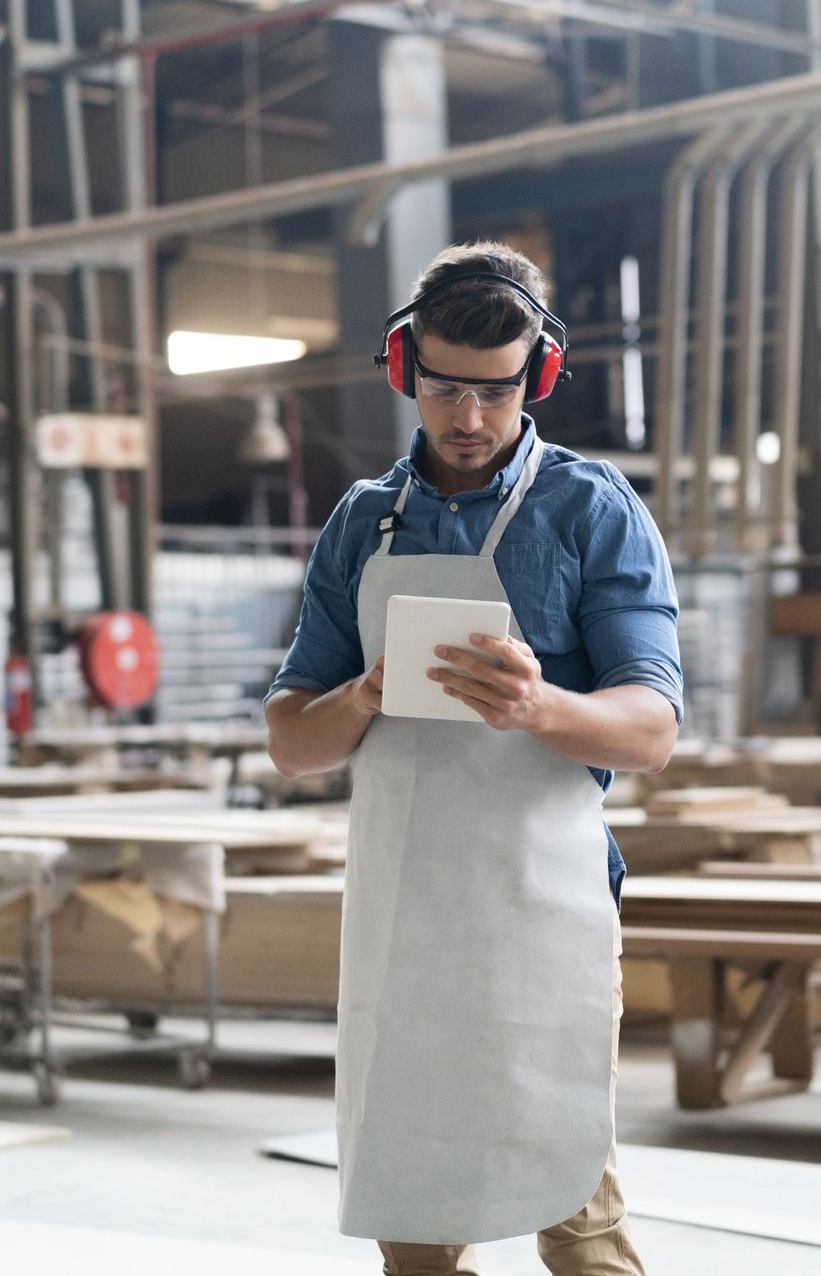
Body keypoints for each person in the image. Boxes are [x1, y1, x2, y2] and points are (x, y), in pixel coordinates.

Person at [267, 241, 683, 1276]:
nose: (466, 418)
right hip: (404, 915)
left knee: (572, 1209)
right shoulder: (362, 524)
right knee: (412, 1219)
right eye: (445, 388)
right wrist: (363, 693)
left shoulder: (589, 512)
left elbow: (650, 728)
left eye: (494, 394)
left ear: (535, 377)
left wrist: (539, 705)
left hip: (544, 913)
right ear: (404, 366)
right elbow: (288, 741)